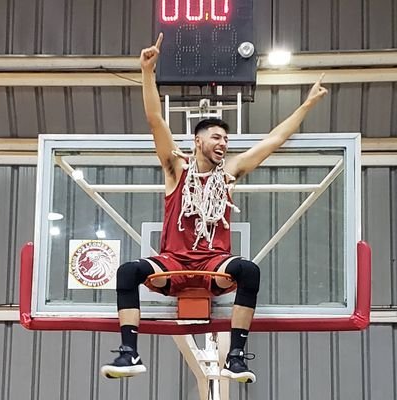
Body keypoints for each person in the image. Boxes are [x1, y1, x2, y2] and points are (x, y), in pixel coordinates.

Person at [101, 33, 328, 383]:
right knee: (127, 271)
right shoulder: (176, 169)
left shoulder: (231, 172)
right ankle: (129, 352)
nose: (224, 143)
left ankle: (235, 356)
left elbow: (273, 140)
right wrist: (147, 72)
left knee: (249, 271)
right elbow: (155, 121)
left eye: (226, 139)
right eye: (217, 137)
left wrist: (308, 104)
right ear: (197, 141)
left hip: (213, 264)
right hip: (173, 263)